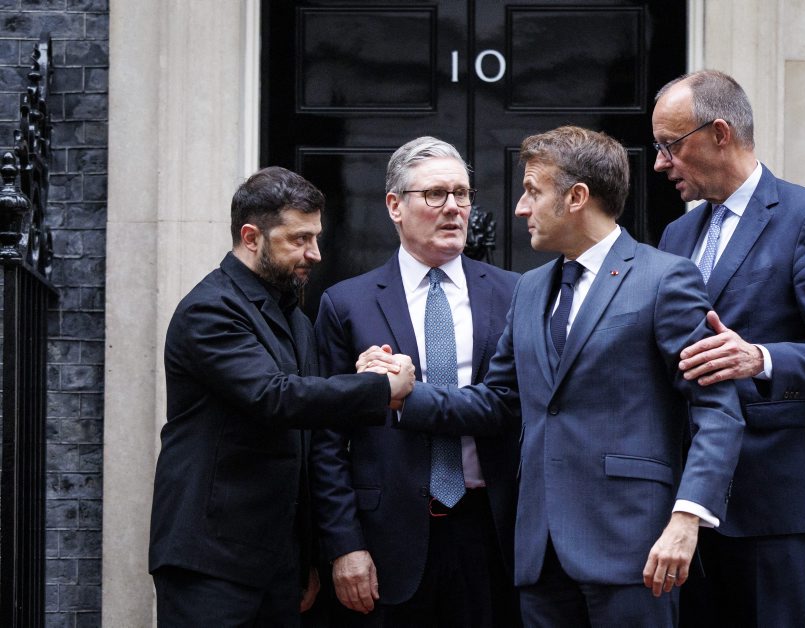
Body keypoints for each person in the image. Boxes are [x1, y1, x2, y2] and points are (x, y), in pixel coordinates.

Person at [365, 126, 745, 627]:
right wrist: (403, 394)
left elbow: (717, 410)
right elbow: (497, 401)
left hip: (636, 547)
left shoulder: (664, 279)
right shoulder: (530, 289)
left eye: (532, 191)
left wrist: (687, 517)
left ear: (576, 197)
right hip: (539, 554)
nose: (520, 208)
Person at [148, 166, 415, 627]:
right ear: (251, 237)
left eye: (315, 237)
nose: (315, 253)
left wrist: (365, 371)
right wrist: (379, 388)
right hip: (209, 561)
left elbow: (306, 425)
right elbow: (274, 397)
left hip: (275, 562)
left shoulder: (293, 316)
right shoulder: (210, 309)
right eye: (299, 239)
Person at [653, 70, 805, 627]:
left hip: (774, 494)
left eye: (670, 145)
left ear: (719, 133)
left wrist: (761, 358)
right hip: (689, 495)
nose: (660, 163)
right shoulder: (677, 235)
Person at [311, 137, 521, 627]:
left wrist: (406, 396)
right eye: (435, 194)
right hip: (387, 538)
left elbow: (515, 406)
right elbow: (325, 440)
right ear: (394, 206)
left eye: (461, 194)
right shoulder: (347, 304)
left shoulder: (515, 294)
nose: (453, 208)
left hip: (492, 533)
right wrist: (344, 545)